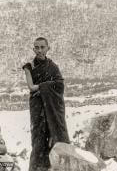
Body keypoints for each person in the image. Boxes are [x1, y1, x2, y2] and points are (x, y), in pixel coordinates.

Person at [22, 37, 70, 171]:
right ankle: (37, 167)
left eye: (42, 47)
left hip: (52, 107)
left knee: (53, 134)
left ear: (48, 48)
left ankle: (53, 166)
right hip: (37, 106)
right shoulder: (29, 66)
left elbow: (60, 85)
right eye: (36, 47)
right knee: (38, 136)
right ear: (33, 49)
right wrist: (46, 87)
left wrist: (42, 87)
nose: (39, 50)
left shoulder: (53, 67)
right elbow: (31, 87)